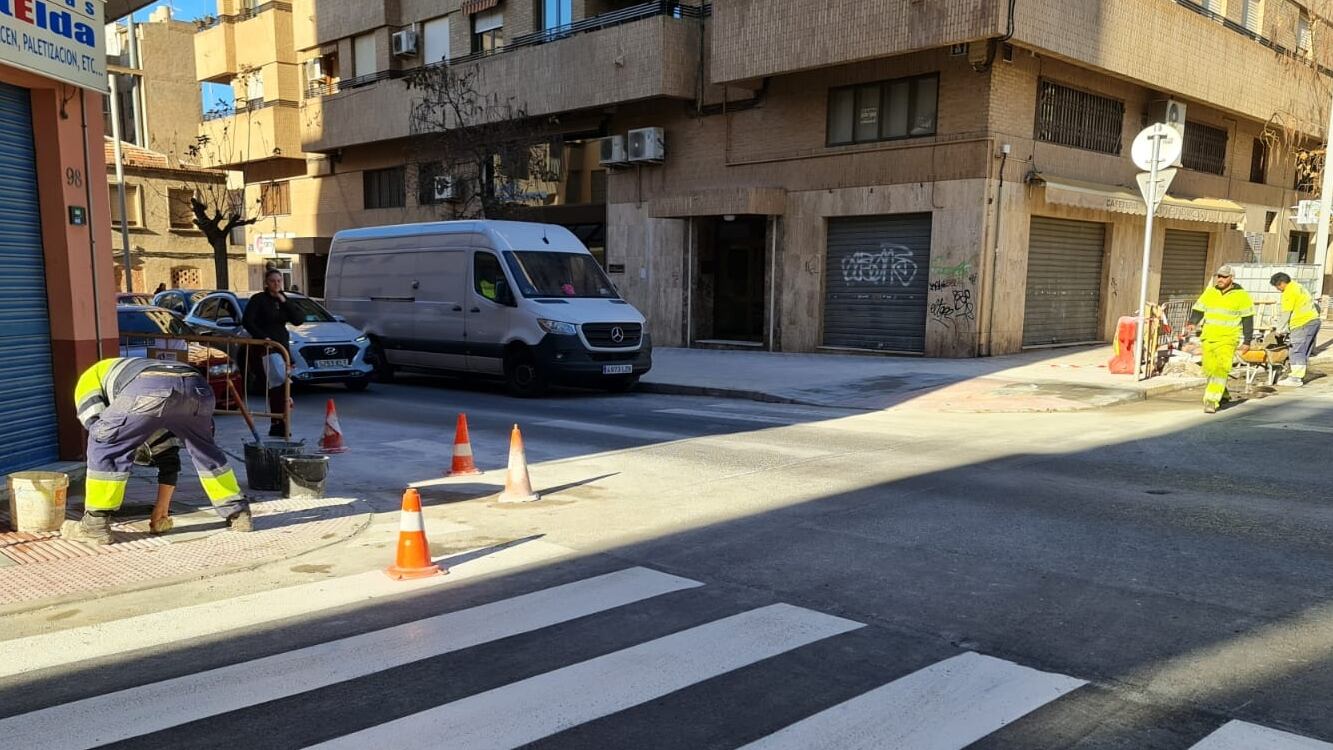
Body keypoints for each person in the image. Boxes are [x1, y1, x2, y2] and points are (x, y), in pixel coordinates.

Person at [65, 356, 251, 545]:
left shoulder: (87, 382)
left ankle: (95, 525)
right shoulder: (127, 379)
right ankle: (238, 513)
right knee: (205, 451)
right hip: (198, 388)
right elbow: (167, 455)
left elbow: (103, 432)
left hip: (150, 390)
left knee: (104, 443)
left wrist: (128, 448)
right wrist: (161, 509)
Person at [243, 269, 303, 437]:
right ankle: (278, 423)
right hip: (267, 349)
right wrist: (263, 337)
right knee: (278, 385)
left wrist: (284, 301)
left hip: (282, 348)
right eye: (273, 281)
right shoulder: (258, 300)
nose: (276, 284)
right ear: (266, 283)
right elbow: (247, 321)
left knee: (284, 386)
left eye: (279, 281)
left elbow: (298, 319)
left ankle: (280, 423)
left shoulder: (283, 299)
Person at [1188, 265, 1255, 414]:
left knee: (1221, 369)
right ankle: (1223, 395)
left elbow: (1247, 319)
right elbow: (1199, 308)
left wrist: (1247, 341)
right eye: (1219, 276)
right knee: (1210, 370)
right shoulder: (1210, 292)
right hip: (1208, 337)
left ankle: (1211, 400)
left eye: (1224, 277)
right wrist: (1192, 322)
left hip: (1228, 338)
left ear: (1231, 278)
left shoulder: (1241, 296)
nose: (1220, 279)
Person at [1270, 272, 1321, 387]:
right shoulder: (1299, 286)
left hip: (1301, 323)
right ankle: (1299, 375)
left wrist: (1279, 329)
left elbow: (1286, 313)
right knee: (1304, 351)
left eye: (1277, 286)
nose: (1278, 289)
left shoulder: (1289, 292)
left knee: (1296, 350)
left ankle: (1295, 378)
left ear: (1281, 283)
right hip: (1313, 321)